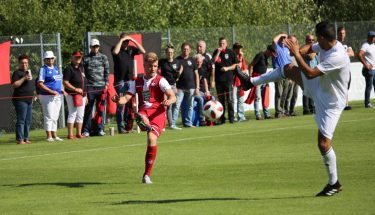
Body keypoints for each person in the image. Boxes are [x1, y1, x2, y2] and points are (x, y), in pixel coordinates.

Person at [235, 21, 350, 196]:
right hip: (319, 87)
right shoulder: (325, 43)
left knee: (323, 143)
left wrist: (296, 53)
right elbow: (310, 48)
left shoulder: (338, 54)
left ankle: (333, 183)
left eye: (316, 37)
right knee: (288, 68)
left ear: (322, 37)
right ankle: (250, 82)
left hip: (332, 103)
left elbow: (311, 73)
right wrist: (295, 50)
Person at [112, 52, 176, 184]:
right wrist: (118, 101)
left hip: (158, 113)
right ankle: (143, 122)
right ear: (144, 65)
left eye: (155, 66)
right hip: (144, 112)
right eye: (150, 66)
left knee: (152, 139)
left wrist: (169, 101)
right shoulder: (137, 82)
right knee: (141, 115)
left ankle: (146, 175)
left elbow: (172, 96)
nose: (152, 68)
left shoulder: (160, 80)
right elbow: (126, 98)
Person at [112, 33, 145, 134]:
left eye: (127, 41)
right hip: (120, 81)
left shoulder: (131, 49)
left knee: (129, 104)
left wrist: (133, 40)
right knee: (120, 104)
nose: (126, 43)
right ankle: (120, 127)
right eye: (124, 41)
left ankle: (128, 126)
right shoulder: (116, 47)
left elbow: (143, 51)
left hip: (130, 80)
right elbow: (115, 52)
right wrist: (122, 40)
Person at [82, 39, 110, 136]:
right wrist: (84, 87)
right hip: (90, 87)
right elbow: (83, 73)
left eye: (97, 46)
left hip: (101, 87)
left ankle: (100, 128)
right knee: (88, 108)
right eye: (94, 46)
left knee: (101, 109)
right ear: (90, 47)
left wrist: (106, 84)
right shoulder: (85, 58)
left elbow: (107, 71)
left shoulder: (103, 57)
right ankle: (86, 130)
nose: (95, 48)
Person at [37, 51, 65, 142]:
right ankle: (49, 136)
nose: (50, 60)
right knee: (48, 116)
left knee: (55, 116)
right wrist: (50, 91)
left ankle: (54, 135)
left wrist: (62, 90)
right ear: (44, 60)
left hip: (57, 96)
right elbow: (40, 83)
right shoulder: (43, 69)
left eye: (52, 58)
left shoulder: (56, 68)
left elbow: (58, 82)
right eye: (48, 59)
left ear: (54, 59)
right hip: (47, 96)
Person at [212, 37, 238, 124]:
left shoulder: (231, 52)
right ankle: (222, 119)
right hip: (219, 81)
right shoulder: (216, 52)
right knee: (221, 101)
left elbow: (236, 65)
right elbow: (213, 61)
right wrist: (218, 52)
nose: (221, 45)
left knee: (230, 100)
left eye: (223, 43)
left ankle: (231, 118)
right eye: (220, 43)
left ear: (226, 44)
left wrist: (227, 68)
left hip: (228, 80)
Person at [174, 42, 199, 128]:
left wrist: (197, 87)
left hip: (191, 87)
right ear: (181, 50)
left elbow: (196, 75)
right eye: (184, 49)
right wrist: (175, 86)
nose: (185, 51)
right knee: (177, 105)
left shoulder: (192, 60)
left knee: (190, 106)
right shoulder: (177, 60)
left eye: (187, 49)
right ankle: (173, 124)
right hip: (180, 88)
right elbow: (174, 74)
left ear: (190, 50)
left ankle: (188, 123)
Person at [63, 51, 88, 139]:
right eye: (76, 57)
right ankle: (70, 134)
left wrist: (86, 96)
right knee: (72, 113)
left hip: (83, 95)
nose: (78, 59)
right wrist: (75, 89)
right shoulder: (69, 69)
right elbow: (65, 82)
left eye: (79, 57)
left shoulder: (82, 68)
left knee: (80, 115)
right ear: (72, 58)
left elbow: (84, 82)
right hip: (72, 95)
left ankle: (79, 133)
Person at [11, 54, 35, 144]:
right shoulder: (17, 73)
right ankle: (20, 139)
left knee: (28, 120)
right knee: (21, 120)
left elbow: (31, 85)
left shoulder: (29, 72)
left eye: (26, 63)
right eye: (22, 63)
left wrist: (34, 94)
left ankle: (26, 138)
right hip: (20, 100)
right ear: (19, 63)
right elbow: (14, 85)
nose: (24, 64)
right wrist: (24, 78)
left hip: (29, 100)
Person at [158, 43, 182, 129]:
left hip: (173, 86)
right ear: (166, 53)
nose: (170, 54)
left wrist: (179, 75)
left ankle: (171, 124)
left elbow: (179, 70)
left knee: (172, 105)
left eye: (171, 52)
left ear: (173, 53)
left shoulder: (177, 62)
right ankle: (163, 125)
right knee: (165, 105)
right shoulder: (162, 62)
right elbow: (156, 68)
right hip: (165, 87)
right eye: (168, 52)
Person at [248, 45, 273, 120]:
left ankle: (266, 114)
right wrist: (250, 77)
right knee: (257, 97)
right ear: (268, 50)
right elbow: (251, 65)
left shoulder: (267, 58)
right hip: (258, 79)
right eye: (271, 53)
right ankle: (258, 115)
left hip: (264, 79)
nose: (271, 55)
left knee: (265, 97)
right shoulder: (260, 55)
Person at [271, 33, 292, 118]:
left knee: (284, 93)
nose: (283, 39)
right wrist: (281, 34)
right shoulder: (276, 48)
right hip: (278, 72)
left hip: (287, 73)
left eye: (285, 38)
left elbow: (289, 62)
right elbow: (273, 41)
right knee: (279, 93)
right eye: (282, 38)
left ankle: (282, 110)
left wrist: (290, 76)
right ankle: (278, 112)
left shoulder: (287, 49)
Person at [337, 26, 355, 110]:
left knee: (346, 87)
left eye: (343, 33)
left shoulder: (347, 43)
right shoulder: (335, 43)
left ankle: (345, 104)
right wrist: (345, 54)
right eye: (340, 33)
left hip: (346, 68)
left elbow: (352, 53)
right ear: (337, 34)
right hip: (337, 69)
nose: (342, 35)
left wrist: (342, 54)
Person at [357, 31, 375, 108]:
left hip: (374, 69)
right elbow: (359, 54)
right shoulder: (365, 45)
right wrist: (366, 65)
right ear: (368, 37)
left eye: (374, 37)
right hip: (369, 70)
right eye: (371, 37)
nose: (373, 38)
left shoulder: (373, 45)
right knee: (369, 86)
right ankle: (367, 103)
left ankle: (368, 103)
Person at [302, 34, 317, 115]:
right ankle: (306, 109)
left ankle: (312, 108)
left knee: (313, 90)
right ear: (306, 41)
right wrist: (314, 52)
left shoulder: (314, 48)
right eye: (309, 40)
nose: (311, 41)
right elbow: (310, 57)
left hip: (314, 71)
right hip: (306, 71)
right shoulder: (304, 48)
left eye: (312, 40)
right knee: (306, 90)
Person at [232, 42, 247, 122]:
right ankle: (233, 117)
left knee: (240, 99)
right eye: (237, 48)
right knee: (233, 100)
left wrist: (243, 72)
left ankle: (241, 116)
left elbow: (244, 69)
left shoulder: (242, 58)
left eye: (240, 48)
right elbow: (237, 68)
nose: (239, 49)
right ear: (234, 49)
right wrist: (240, 58)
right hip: (233, 81)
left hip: (240, 81)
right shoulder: (232, 57)